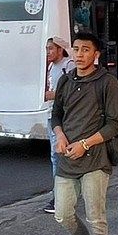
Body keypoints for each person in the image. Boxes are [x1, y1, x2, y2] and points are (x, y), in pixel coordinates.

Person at [50, 31, 118, 235]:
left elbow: (116, 124)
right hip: (66, 158)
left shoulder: (107, 82)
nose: (80, 54)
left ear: (96, 54)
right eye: (76, 49)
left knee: (96, 218)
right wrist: (60, 136)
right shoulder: (65, 80)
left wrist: (85, 143)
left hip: (95, 159)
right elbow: (56, 114)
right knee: (62, 214)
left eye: (85, 50)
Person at [42, 37, 76, 213]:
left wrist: (52, 95)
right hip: (51, 115)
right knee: (55, 156)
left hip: (64, 116)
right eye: (46, 49)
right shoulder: (50, 66)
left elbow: (72, 90)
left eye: (50, 49)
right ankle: (60, 192)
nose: (48, 52)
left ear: (60, 49)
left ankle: (60, 197)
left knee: (60, 155)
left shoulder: (68, 65)